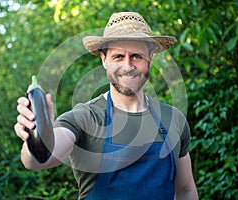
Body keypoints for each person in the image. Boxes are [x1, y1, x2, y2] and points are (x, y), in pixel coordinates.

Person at [14, 12, 198, 200]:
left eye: (136, 56)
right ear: (104, 60)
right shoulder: (84, 117)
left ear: (149, 59)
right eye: (118, 56)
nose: (127, 66)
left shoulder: (173, 119)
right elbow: (37, 161)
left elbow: (185, 190)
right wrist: (37, 133)